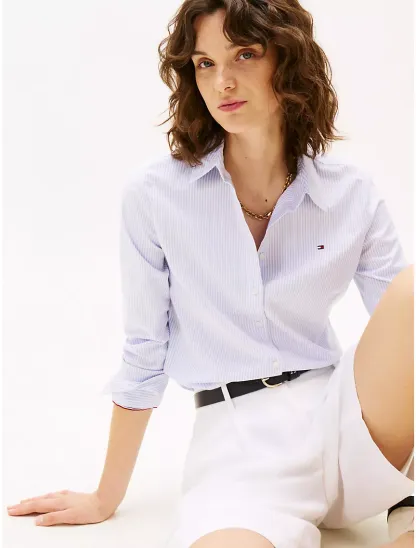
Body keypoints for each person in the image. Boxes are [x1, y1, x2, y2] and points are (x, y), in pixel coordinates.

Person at [6, 1, 414, 546]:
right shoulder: (156, 196)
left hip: (347, 426)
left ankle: (406, 499)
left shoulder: (350, 192)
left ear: (287, 60)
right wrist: (106, 495)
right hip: (239, 450)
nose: (223, 82)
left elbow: (401, 335)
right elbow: (145, 352)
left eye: (245, 54)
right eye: (205, 63)